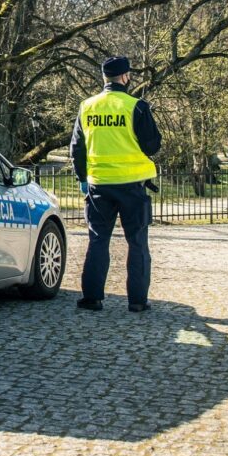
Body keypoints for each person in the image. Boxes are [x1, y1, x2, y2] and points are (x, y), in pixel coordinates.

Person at [69, 56, 162, 312]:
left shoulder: (87, 107)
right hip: (132, 185)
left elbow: (77, 147)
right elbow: (152, 145)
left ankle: (92, 298)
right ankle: (137, 301)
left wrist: (82, 178)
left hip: (99, 184)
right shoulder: (137, 107)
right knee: (137, 242)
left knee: (98, 239)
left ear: (104, 78)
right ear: (125, 77)